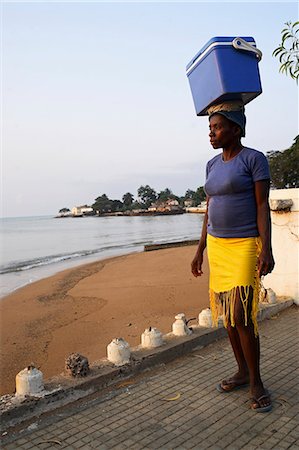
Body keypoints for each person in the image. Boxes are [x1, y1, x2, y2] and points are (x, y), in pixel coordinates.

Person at [191, 105, 275, 413]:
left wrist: (266, 248)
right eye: (210, 127)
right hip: (217, 246)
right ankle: (241, 371)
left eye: (217, 127)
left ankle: (257, 382)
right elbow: (209, 208)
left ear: (236, 129)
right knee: (228, 317)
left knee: (242, 315)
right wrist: (200, 249)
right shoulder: (212, 164)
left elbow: (262, 205)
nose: (211, 132)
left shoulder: (254, 159)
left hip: (244, 245)